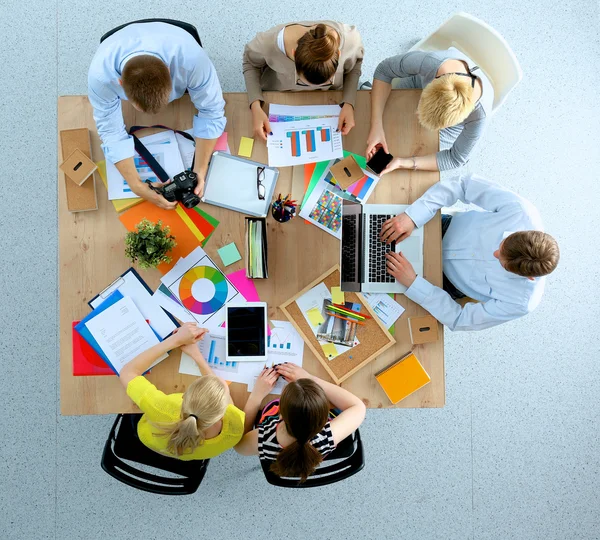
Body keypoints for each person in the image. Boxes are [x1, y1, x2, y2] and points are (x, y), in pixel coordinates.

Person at [380, 174, 560, 331]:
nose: (495, 254)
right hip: (436, 227)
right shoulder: (521, 213)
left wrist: (414, 284)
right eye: (502, 244)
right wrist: (414, 216)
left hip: (438, 285)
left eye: (502, 263)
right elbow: (464, 184)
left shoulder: (521, 301)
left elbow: (460, 319)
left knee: (374, 291)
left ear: (527, 278)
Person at [88, 22, 227, 209]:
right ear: (120, 83)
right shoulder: (100, 77)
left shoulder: (193, 60)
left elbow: (212, 111)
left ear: (169, 71)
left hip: (179, 44)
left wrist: (200, 170)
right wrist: (136, 185)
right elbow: (110, 131)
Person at [119, 323, 245, 459]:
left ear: (184, 397)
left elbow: (127, 372)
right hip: (188, 454)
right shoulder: (234, 428)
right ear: (222, 413)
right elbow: (229, 403)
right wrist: (197, 356)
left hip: (151, 439)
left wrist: (175, 340)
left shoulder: (161, 408)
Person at [366, 48, 494, 173]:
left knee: (413, 151)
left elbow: (456, 159)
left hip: (448, 130)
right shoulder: (431, 62)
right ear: (433, 80)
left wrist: (403, 163)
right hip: (416, 85)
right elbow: (384, 70)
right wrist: (376, 126)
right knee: (376, 121)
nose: (415, 115)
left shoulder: (480, 116)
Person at [234, 364, 366, 482]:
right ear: (322, 417)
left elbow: (239, 446)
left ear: (280, 414)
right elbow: (358, 406)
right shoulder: (326, 437)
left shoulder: (264, 438)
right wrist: (311, 379)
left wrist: (256, 395)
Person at [243, 21, 364, 140]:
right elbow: (250, 63)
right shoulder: (266, 44)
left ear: (338, 53)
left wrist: (348, 103)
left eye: (327, 82)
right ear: (294, 55)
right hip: (280, 95)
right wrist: (255, 107)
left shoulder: (351, 41)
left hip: (330, 98)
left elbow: (354, 67)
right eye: (302, 82)